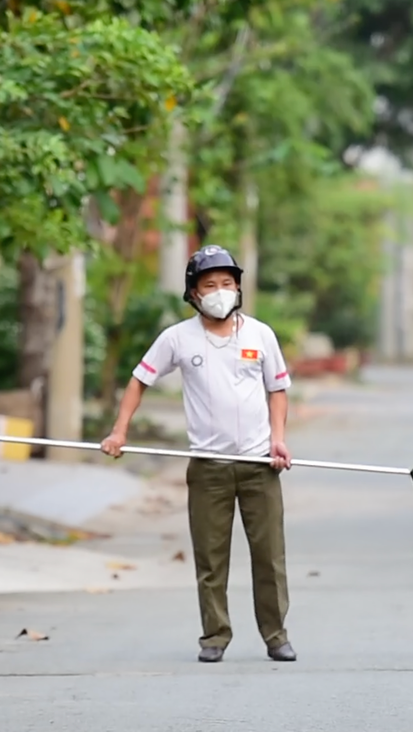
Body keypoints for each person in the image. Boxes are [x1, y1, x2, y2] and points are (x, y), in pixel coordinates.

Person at [100, 244, 297, 665]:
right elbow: (138, 381)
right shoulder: (177, 338)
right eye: (210, 285)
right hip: (208, 467)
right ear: (193, 293)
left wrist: (277, 438)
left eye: (227, 283)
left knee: (269, 557)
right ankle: (214, 636)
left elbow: (277, 390)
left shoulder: (260, 335)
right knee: (211, 559)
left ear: (239, 288)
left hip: (260, 465)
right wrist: (119, 431)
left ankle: (276, 635)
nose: (220, 291)